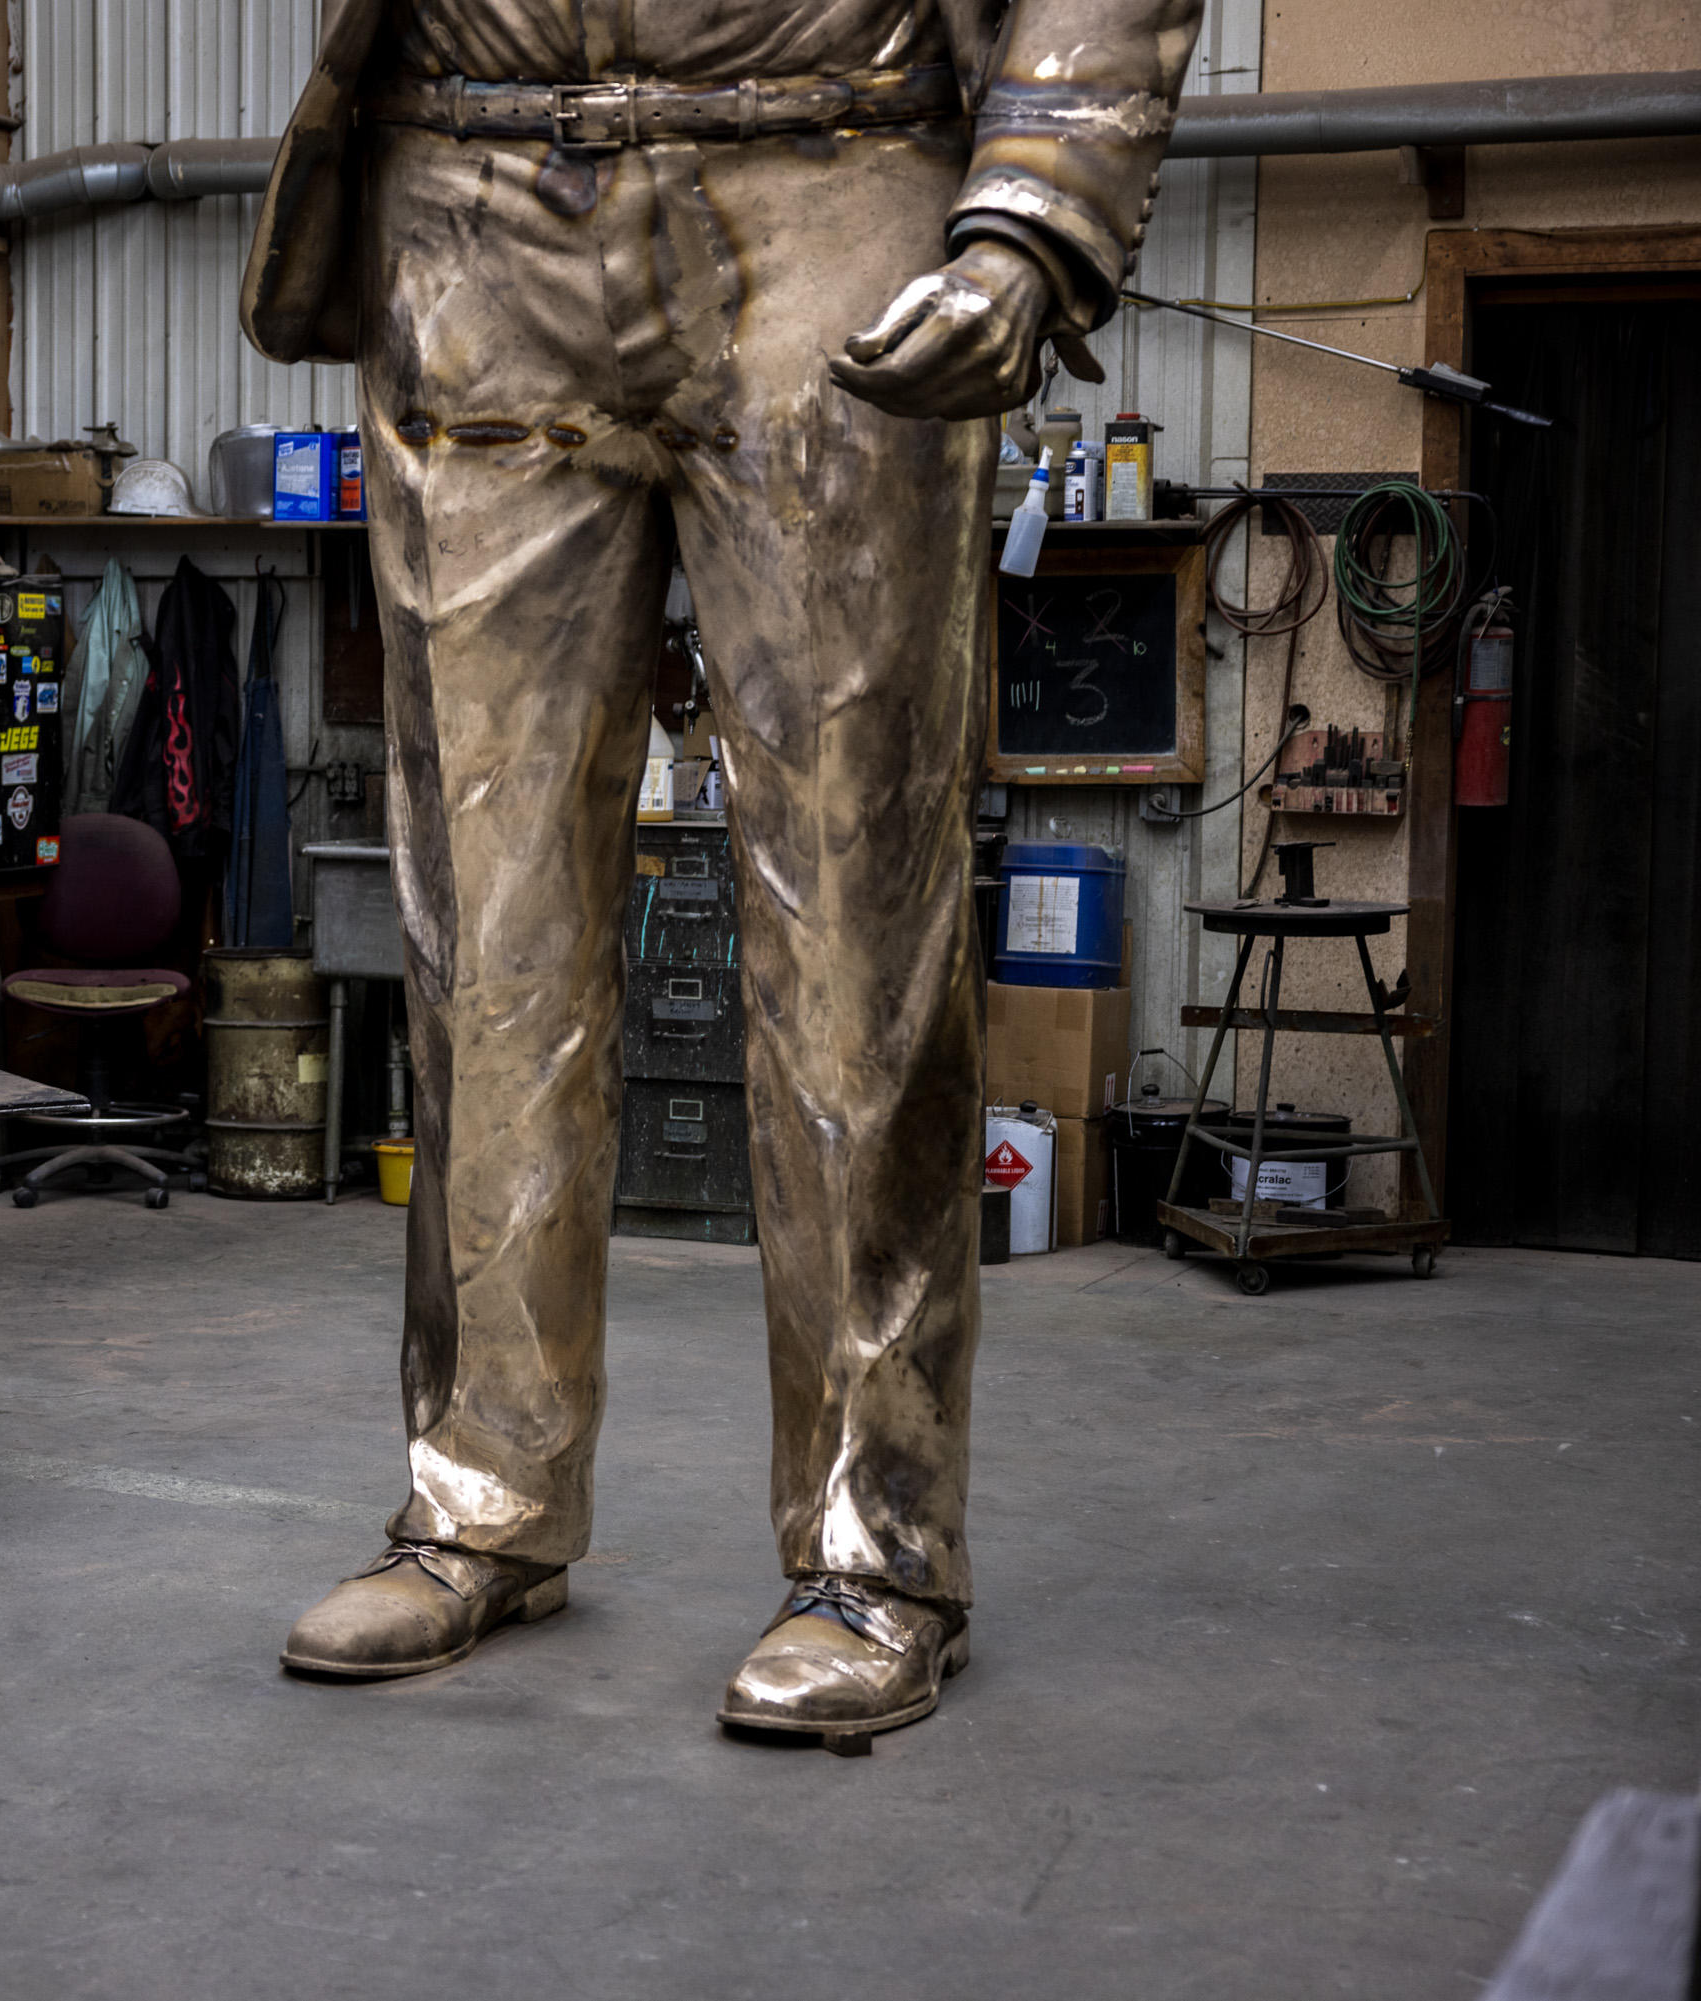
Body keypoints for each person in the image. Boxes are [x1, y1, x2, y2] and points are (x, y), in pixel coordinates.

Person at [244, 0, 1199, 1743]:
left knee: (852, 926)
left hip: (830, 171)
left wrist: (1036, 206)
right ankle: (483, 1497)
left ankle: (878, 1547)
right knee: (482, 925)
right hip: (470, 189)